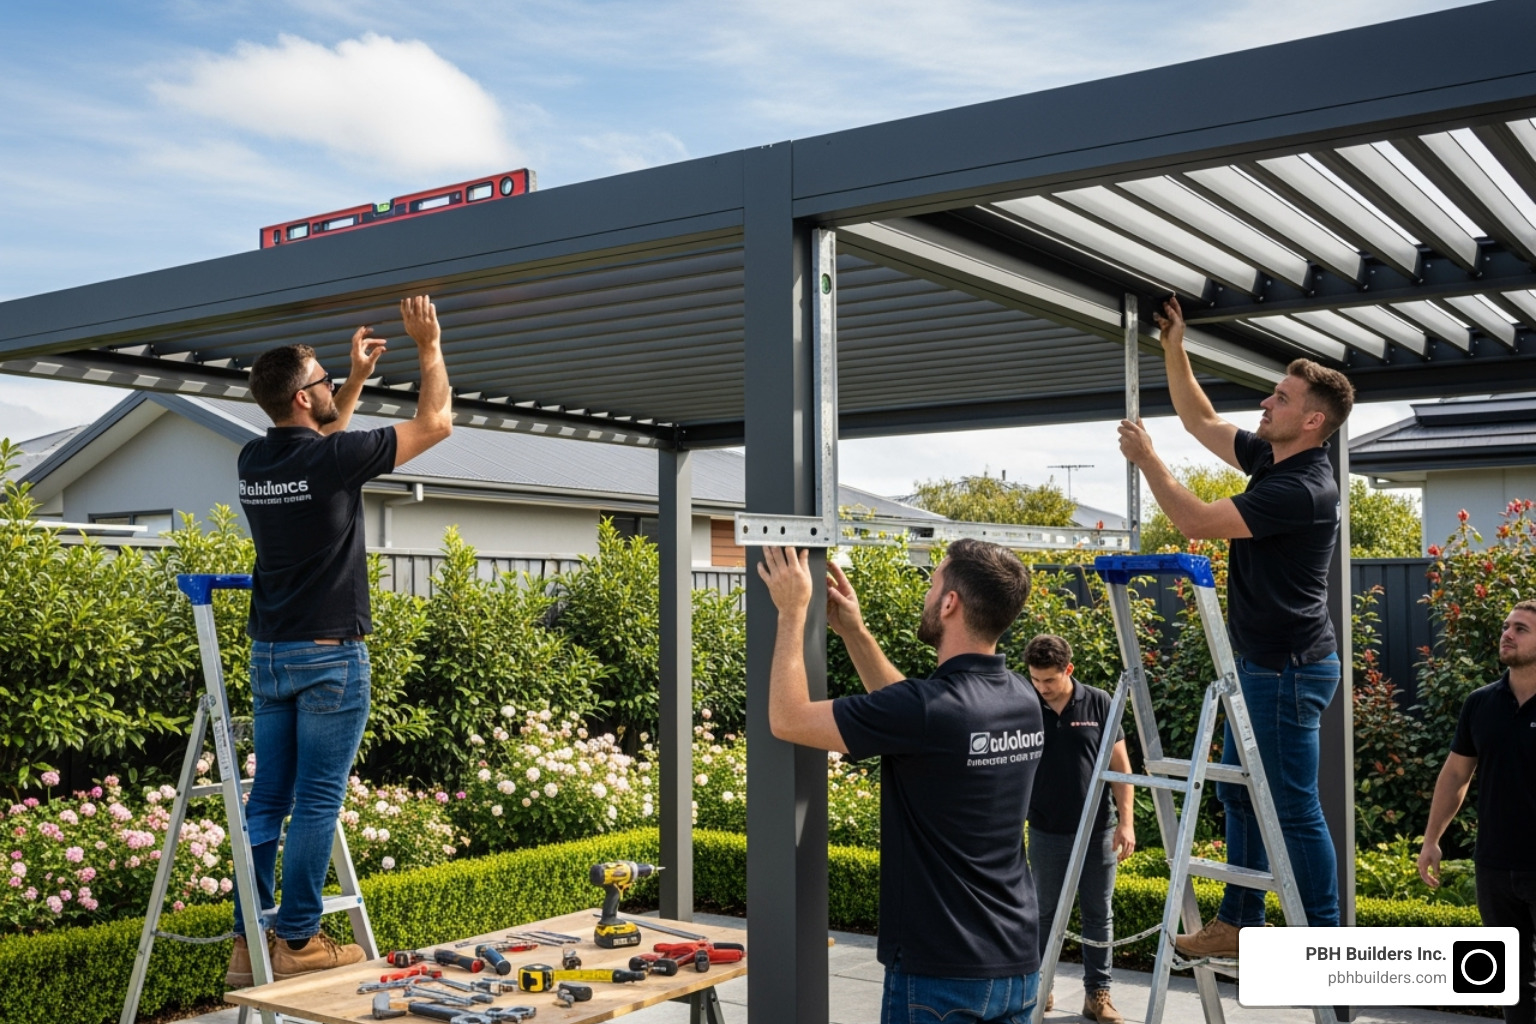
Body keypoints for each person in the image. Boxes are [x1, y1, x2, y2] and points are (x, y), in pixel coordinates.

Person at [225, 295, 453, 987]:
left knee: (268, 802)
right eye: (322, 379)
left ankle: (248, 941)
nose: (330, 385)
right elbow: (436, 422)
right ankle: (297, 939)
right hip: (329, 659)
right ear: (302, 397)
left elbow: (320, 448)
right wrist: (430, 344)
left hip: (270, 655)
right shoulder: (330, 461)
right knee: (318, 801)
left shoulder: (252, 461)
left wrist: (350, 380)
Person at [1117, 295, 1355, 957]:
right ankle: (1239, 921)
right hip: (1262, 664)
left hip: (1288, 668)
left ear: (1310, 419)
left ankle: (1325, 946)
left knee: (1292, 806)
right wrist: (1173, 345)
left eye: (1279, 399)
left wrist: (1146, 459)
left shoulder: (1302, 488)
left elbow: (1193, 521)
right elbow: (1200, 419)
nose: (1265, 405)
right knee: (1240, 794)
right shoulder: (1272, 462)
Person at [757, 540, 1042, 1024]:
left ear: (950, 603)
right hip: (1016, 962)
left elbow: (787, 719)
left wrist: (791, 613)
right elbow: (912, 715)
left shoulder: (930, 709)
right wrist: (854, 631)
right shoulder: (1020, 697)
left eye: (934, 584)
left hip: (941, 972)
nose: (928, 595)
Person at [1417, 600, 1536, 1024]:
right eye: (1506, 626)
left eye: (1520, 628)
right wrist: (1432, 840)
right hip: (1494, 867)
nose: (1507, 634)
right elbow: (1455, 776)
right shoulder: (1481, 703)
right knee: (1512, 981)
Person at [1024, 635, 1135, 1024]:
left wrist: (1126, 822)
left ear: (1068, 670)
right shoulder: (1025, 703)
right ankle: (1039, 988)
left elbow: (1122, 767)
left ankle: (1097, 995)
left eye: (1049, 681)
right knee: (1044, 914)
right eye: (1035, 680)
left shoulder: (1099, 701)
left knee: (1097, 914)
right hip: (1045, 829)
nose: (1042, 688)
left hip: (1098, 830)